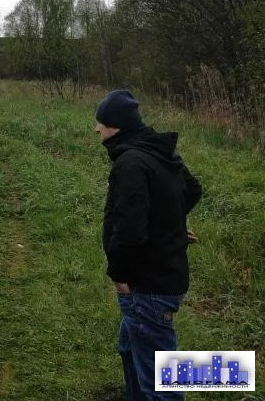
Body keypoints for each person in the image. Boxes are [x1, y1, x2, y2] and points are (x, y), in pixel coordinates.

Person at [96, 90, 202, 400]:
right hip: (158, 278)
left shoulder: (131, 161)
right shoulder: (155, 150)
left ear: (114, 125)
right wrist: (170, 229)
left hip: (148, 286)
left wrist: (119, 276)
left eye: (99, 122)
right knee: (129, 348)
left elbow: (129, 232)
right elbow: (191, 190)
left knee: (160, 384)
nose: (96, 129)